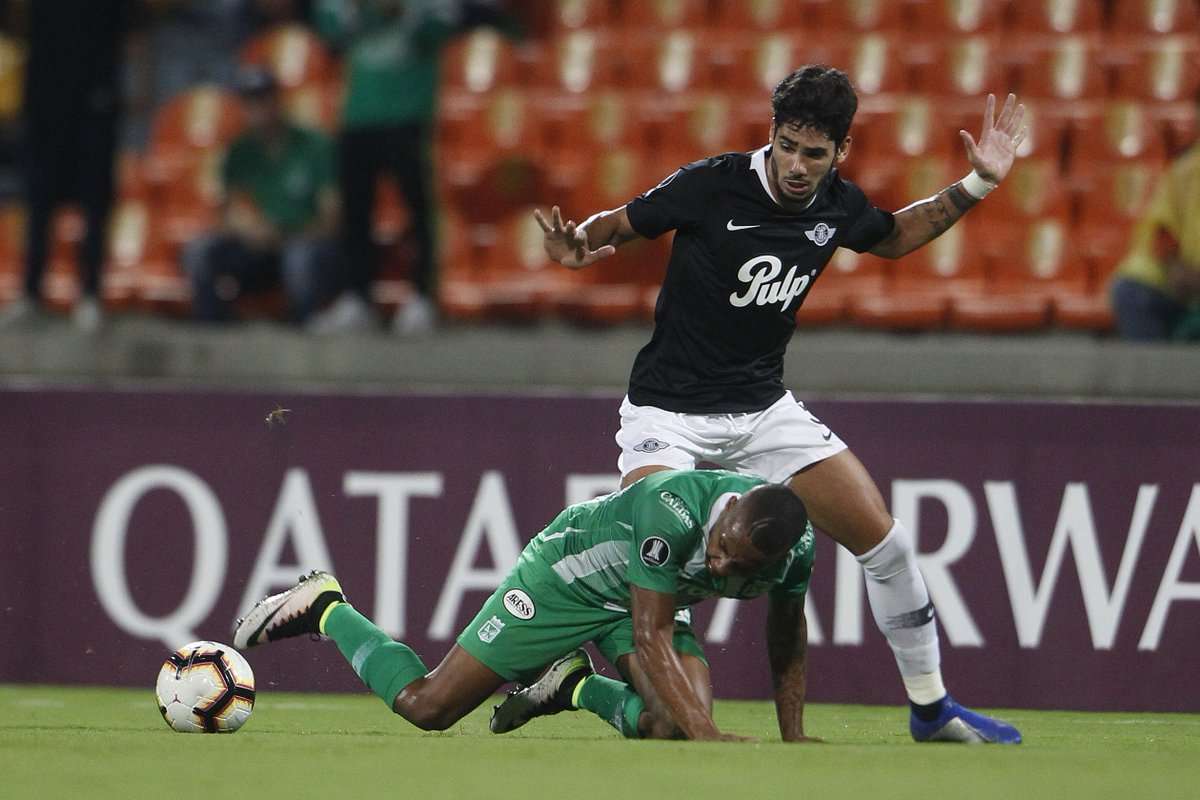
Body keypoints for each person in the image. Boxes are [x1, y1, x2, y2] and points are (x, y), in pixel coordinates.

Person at [532, 66, 1024, 744]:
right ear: (772, 134)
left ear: (840, 153)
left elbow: (895, 235)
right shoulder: (712, 183)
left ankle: (931, 708)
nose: (796, 165)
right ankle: (588, 684)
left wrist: (980, 183)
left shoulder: (837, 206)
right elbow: (619, 223)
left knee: (889, 545)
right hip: (668, 416)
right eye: (787, 145)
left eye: (814, 153)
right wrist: (577, 246)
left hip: (763, 410)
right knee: (653, 559)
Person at [235, 470, 819, 742]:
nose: (719, 567)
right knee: (427, 708)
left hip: (647, 597)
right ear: (730, 508)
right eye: (720, 548)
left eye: (738, 568)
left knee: (668, 725)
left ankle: (573, 688)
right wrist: (709, 735)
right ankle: (326, 606)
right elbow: (652, 637)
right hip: (568, 580)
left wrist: (791, 737)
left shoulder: (795, 554)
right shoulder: (674, 512)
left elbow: (787, 637)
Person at [0, 0, 133, 333]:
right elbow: (19, 27)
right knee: (38, 201)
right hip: (46, 104)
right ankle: (31, 294)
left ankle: (90, 294)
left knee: (94, 202)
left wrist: (123, 93)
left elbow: (132, 33)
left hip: (94, 103)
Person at [181, 65, 340, 323]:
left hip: (304, 243)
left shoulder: (315, 146)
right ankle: (212, 331)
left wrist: (285, 233)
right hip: (257, 247)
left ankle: (302, 332)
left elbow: (332, 216)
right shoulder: (240, 151)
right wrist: (247, 228)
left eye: (265, 98)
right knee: (199, 250)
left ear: (278, 100)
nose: (259, 108)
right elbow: (226, 212)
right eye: (250, 101)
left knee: (299, 257)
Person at [1110, 141, 1200, 341]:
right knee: (1129, 290)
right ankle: (1152, 371)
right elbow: (1163, 227)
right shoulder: (1186, 169)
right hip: (1182, 277)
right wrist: (1174, 266)